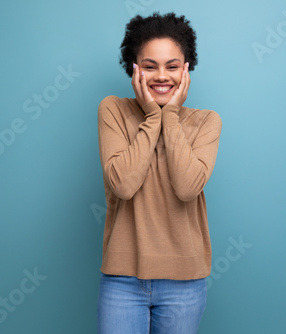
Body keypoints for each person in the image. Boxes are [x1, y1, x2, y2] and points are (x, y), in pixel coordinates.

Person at [96, 11, 222, 334]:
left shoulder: (206, 122)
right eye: (150, 66)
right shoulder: (113, 110)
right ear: (134, 68)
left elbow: (186, 186)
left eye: (172, 66)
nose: (161, 76)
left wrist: (171, 116)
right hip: (123, 281)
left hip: (184, 284)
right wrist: (153, 116)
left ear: (186, 69)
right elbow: (123, 183)